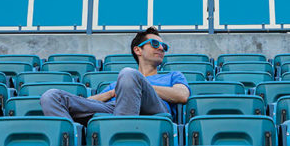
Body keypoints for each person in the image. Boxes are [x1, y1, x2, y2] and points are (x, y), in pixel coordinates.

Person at [40, 26, 190, 124]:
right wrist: (113, 92)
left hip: (155, 108)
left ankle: (121, 137)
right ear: (138, 50)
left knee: (128, 74)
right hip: (117, 108)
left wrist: (140, 86)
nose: (161, 49)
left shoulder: (172, 76)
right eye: (155, 44)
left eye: (164, 46)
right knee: (51, 96)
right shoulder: (120, 82)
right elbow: (90, 102)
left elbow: (182, 95)